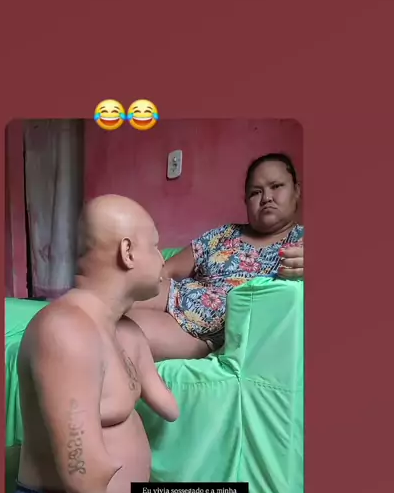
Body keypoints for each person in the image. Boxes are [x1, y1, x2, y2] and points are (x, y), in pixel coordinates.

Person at [6, 195, 180, 493]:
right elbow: (81, 474)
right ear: (128, 252)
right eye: (156, 246)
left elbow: (168, 407)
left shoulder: (125, 331)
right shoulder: (66, 330)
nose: (162, 259)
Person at [127, 153, 304, 361]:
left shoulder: (304, 243)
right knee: (111, 298)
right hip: (176, 294)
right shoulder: (224, 234)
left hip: (206, 331)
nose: (266, 198)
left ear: (296, 191)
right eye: (256, 192)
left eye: (276, 186)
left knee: (120, 333)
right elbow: (166, 270)